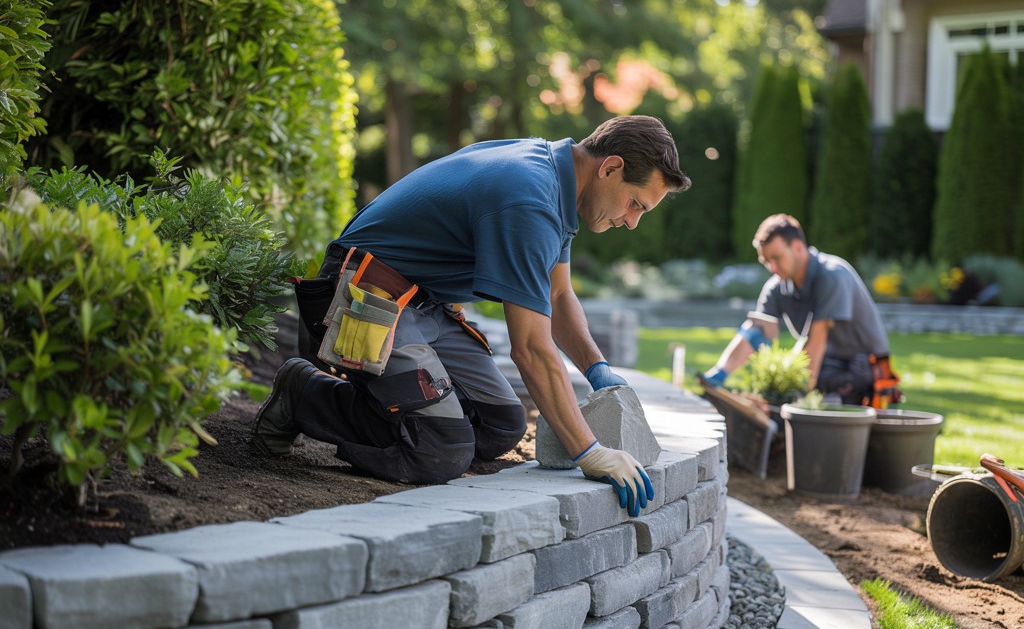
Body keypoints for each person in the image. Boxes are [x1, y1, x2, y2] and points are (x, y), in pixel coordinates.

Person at [251, 115, 691, 516]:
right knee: (441, 450)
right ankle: (304, 394)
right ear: (610, 168)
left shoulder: (555, 178)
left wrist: (598, 370)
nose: (632, 222)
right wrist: (590, 452)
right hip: (362, 294)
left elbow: (558, 295)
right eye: (636, 204)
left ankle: (414, 416)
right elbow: (532, 350)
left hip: (423, 304)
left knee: (502, 425)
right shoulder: (529, 199)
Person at [699, 213, 901, 407]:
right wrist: (720, 372)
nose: (773, 268)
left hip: (863, 368)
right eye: (767, 261)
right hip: (828, 364)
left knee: (798, 402)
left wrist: (792, 397)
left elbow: (817, 343)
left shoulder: (832, 276)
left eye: (777, 258)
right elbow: (756, 333)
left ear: (797, 247)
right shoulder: (777, 286)